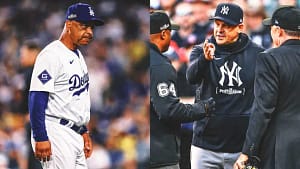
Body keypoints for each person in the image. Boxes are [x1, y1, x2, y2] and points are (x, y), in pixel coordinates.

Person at [186, 3, 265, 169]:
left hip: (240, 148)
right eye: (217, 24)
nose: (220, 30)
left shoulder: (258, 54)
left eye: (227, 25)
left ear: (240, 27)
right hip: (205, 145)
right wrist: (205, 60)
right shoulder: (201, 50)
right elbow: (191, 77)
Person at [28, 3, 104, 169]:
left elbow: (74, 100)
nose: (89, 32)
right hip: (56, 131)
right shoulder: (51, 55)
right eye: (84, 26)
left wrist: (83, 132)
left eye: (91, 27)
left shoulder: (77, 54)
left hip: (74, 133)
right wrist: (40, 136)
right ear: (69, 24)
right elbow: (37, 97)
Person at [234, 6, 300, 169]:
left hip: (281, 147)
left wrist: (247, 151)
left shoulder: (270, 58)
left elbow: (263, 108)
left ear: (277, 31)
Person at [150, 11, 215, 169]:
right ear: (164, 34)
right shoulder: (159, 65)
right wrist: (203, 108)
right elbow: (169, 111)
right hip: (160, 156)